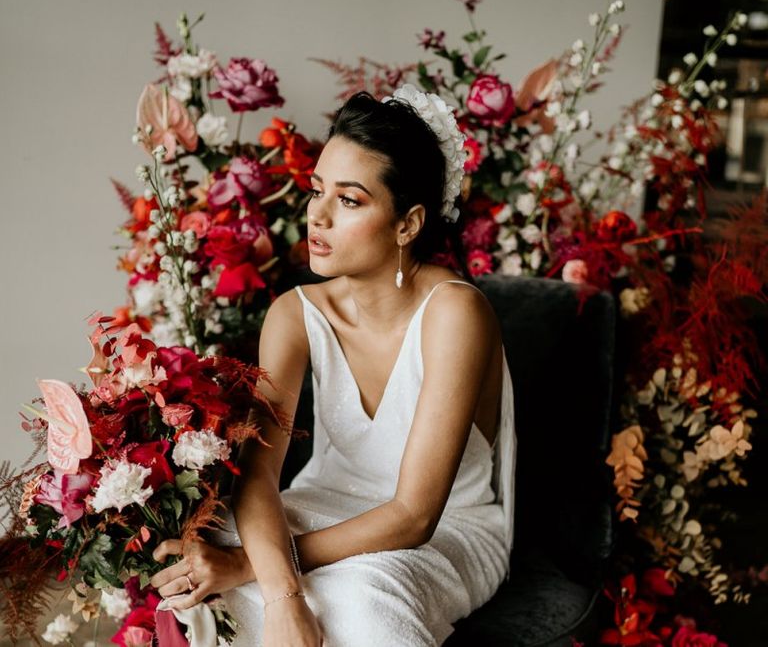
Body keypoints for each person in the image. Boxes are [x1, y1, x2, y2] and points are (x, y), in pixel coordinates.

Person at [149, 85, 516, 647]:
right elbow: (259, 478)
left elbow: (415, 516)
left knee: (361, 599)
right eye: (317, 190)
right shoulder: (293, 315)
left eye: (348, 200)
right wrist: (282, 592)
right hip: (325, 502)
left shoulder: (456, 313)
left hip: (446, 527)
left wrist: (255, 568)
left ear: (408, 224)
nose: (315, 215)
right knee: (203, 550)